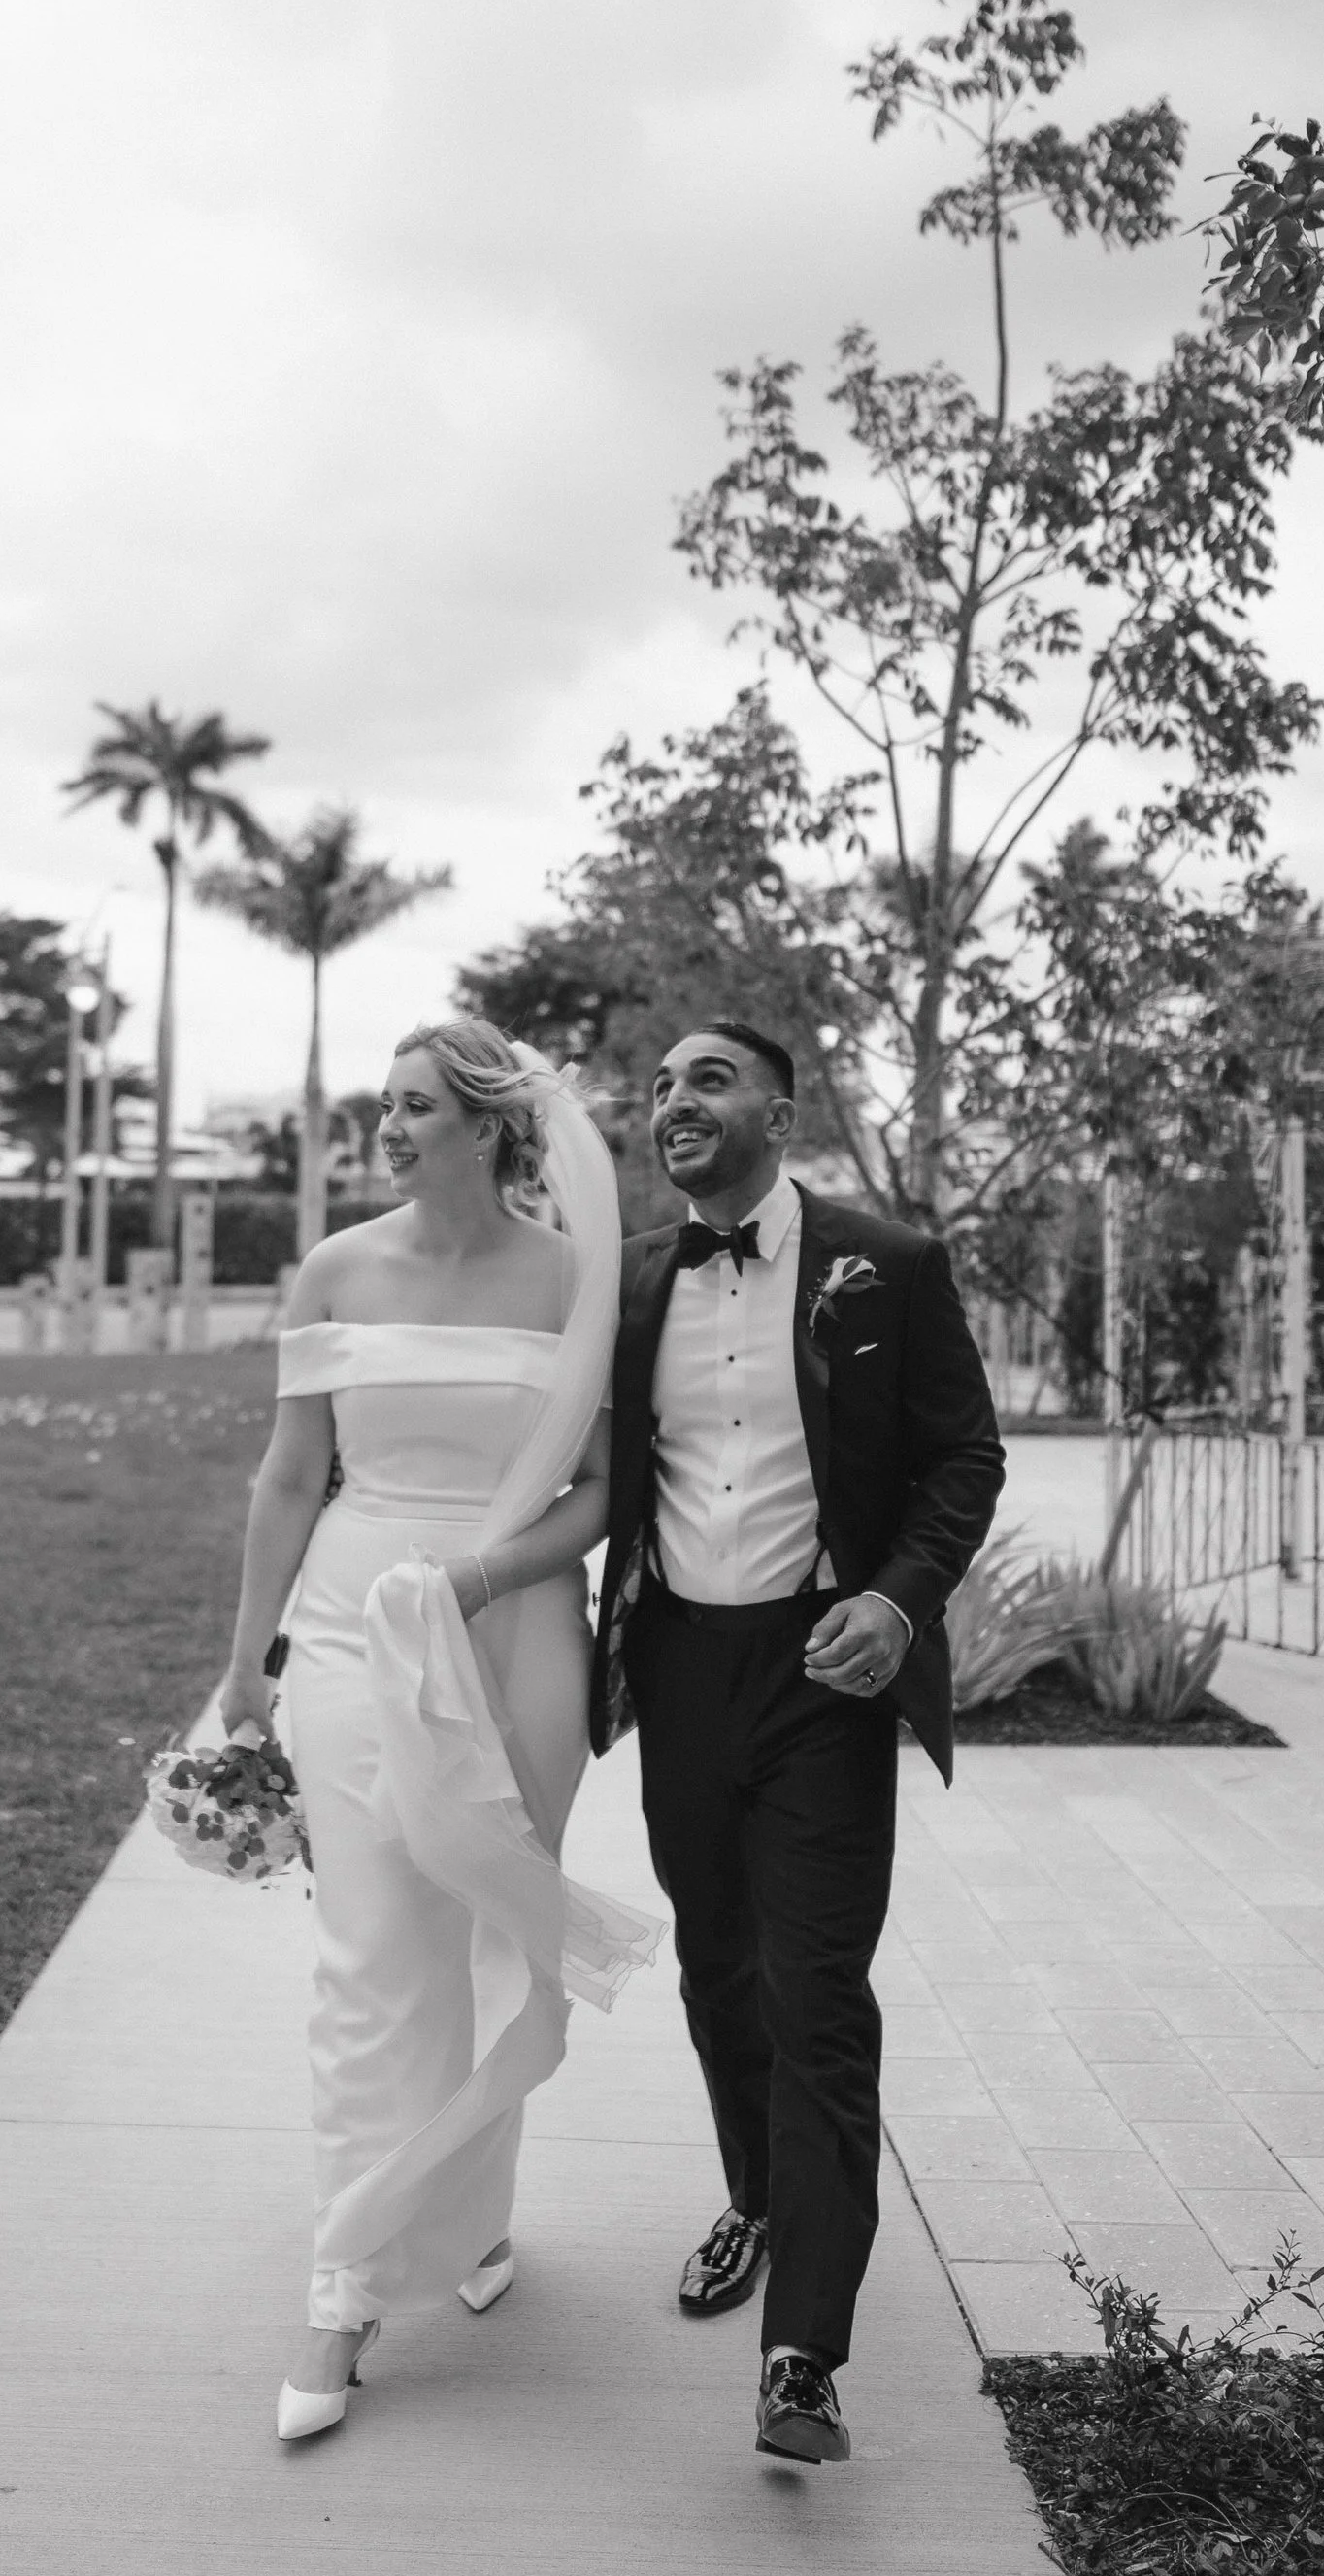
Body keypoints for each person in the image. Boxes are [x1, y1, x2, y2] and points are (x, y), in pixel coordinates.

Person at [218, 1017, 657, 2445]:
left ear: (487, 1127)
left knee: (490, 1936)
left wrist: (480, 1573)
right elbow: (289, 1480)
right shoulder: (336, 1270)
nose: (388, 1132)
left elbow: (600, 1491)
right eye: (383, 1109)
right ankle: (343, 2287)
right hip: (354, 1631)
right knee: (371, 1950)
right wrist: (247, 1665)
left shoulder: (573, 1280)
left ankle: (470, 2220)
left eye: (413, 1109)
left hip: (516, 1627)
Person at [591, 1022, 1004, 2467]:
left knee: (818, 1990)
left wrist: (897, 1603)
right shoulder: (634, 1275)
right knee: (722, 1969)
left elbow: (966, 1457)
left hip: (826, 1673)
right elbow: (588, 1472)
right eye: (659, 1087)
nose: (674, 1102)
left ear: (781, 1108)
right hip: (682, 1673)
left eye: (706, 1079)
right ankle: (757, 2199)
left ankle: (803, 2358)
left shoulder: (886, 1262)